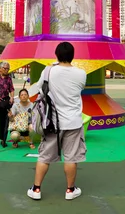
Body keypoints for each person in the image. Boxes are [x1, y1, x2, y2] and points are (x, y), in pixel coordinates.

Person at [27, 42, 87, 201]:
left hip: (51, 122)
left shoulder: (48, 71)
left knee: (44, 156)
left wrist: (53, 66)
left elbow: (39, 89)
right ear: (73, 56)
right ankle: (70, 190)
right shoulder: (81, 74)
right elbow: (80, 88)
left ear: (56, 55)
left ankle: (36, 189)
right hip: (73, 122)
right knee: (71, 157)